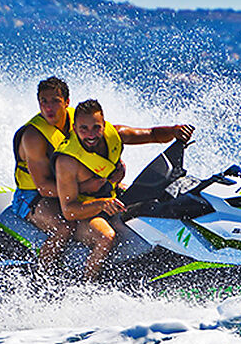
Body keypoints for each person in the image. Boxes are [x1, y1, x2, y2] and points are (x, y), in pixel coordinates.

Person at [54, 99, 194, 280]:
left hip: (109, 198)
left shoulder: (115, 134)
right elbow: (69, 211)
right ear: (74, 128)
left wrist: (174, 131)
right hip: (84, 212)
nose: (91, 135)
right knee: (106, 236)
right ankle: (86, 286)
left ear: (103, 125)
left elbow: (152, 134)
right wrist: (102, 204)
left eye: (96, 127)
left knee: (155, 204)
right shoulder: (67, 161)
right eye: (84, 129)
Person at [11, 76, 78, 271]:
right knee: (65, 227)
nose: (48, 107)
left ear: (66, 102)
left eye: (55, 101)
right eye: (43, 102)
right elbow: (44, 187)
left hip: (65, 189)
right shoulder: (33, 136)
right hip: (32, 196)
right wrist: (84, 191)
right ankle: (42, 278)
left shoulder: (80, 122)